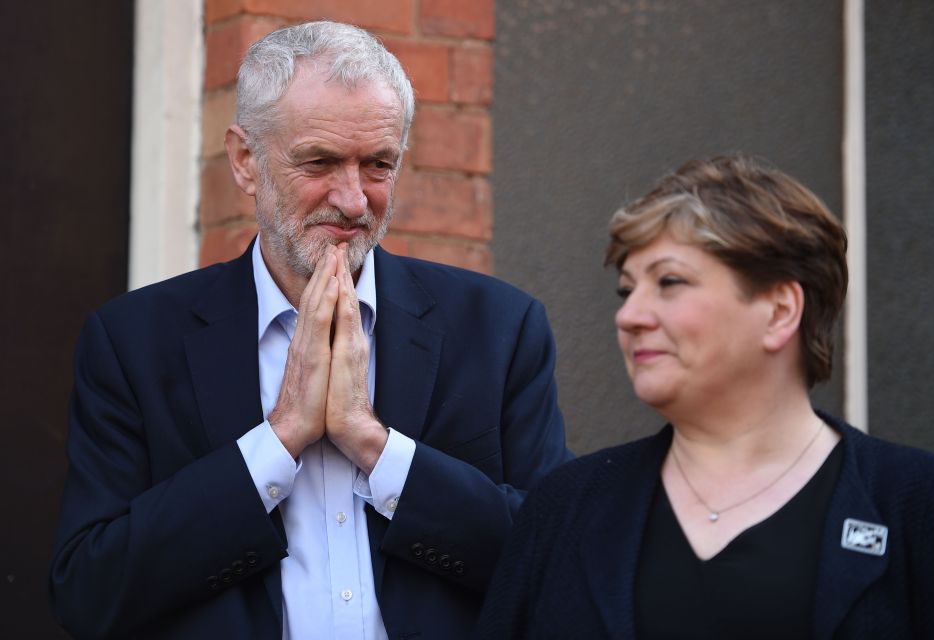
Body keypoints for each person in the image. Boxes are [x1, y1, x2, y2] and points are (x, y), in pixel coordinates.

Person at [50, 21, 570, 640]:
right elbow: (88, 590)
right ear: (246, 161)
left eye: (378, 165)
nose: (353, 201)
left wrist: (373, 445)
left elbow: (559, 563)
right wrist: (281, 439)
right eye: (320, 162)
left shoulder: (500, 331)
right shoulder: (134, 342)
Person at [475, 155, 934, 638]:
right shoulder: (564, 508)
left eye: (669, 283)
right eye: (627, 291)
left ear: (779, 310)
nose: (630, 316)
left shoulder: (925, 510)